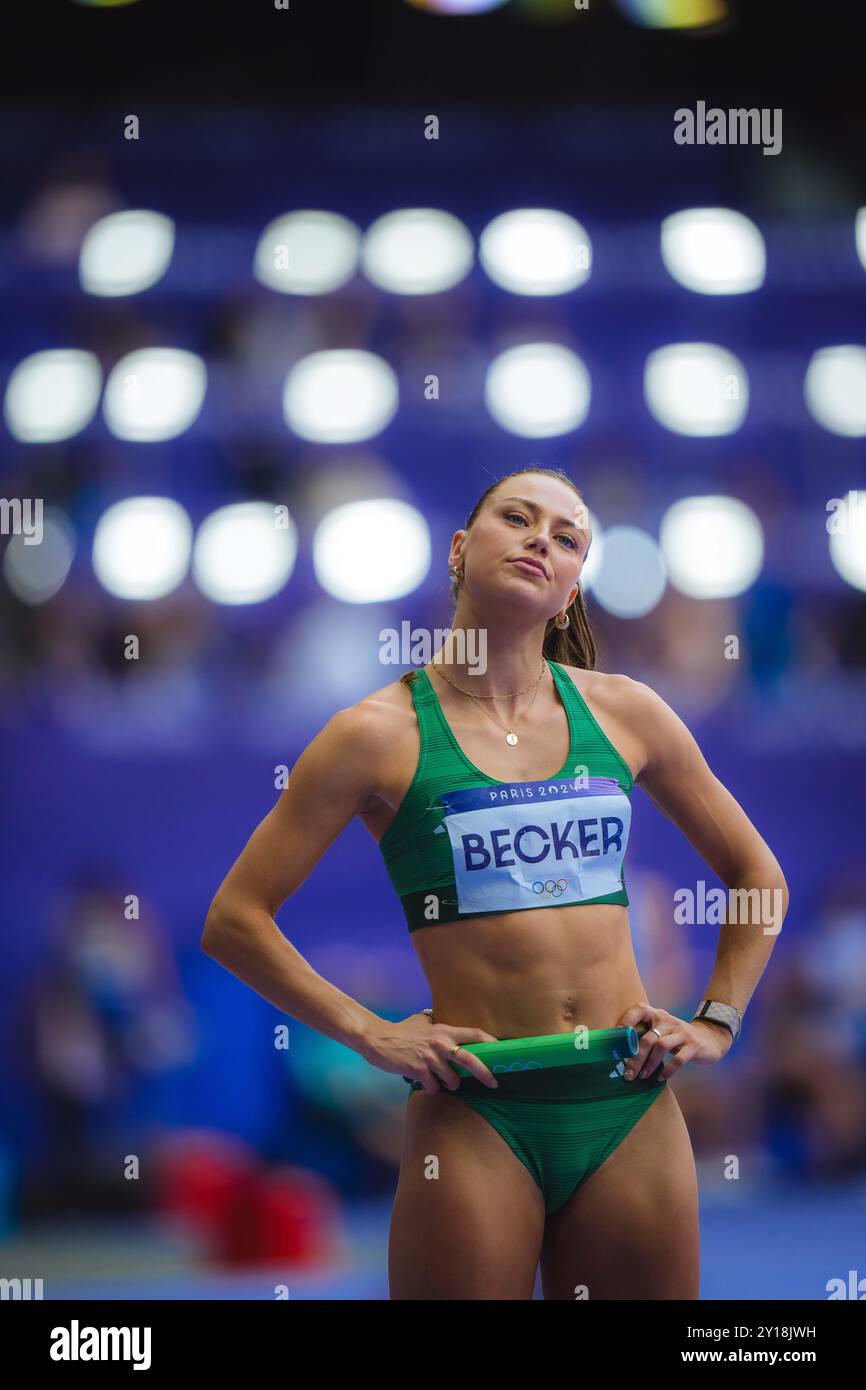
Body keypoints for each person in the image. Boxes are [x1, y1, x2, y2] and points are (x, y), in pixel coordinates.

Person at [202, 465, 788, 1300]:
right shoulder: (374, 735)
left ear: (574, 587)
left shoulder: (628, 713)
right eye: (517, 518)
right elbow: (234, 920)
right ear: (459, 548)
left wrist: (719, 1021)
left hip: (627, 1101)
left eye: (567, 537)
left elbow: (757, 876)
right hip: (478, 1112)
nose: (540, 540)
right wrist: (371, 1034)